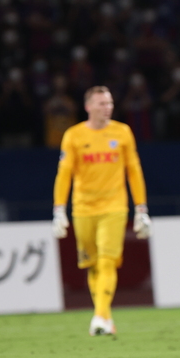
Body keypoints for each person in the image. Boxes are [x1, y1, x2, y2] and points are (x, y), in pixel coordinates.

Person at [52, 86, 151, 336]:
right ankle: (105, 318)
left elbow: (134, 170)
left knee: (107, 261)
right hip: (83, 209)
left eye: (109, 103)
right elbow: (64, 174)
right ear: (88, 107)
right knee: (93, 264)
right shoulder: (74, 135)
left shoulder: (122, 132)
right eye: (101, 104)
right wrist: (59, 209)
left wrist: (141, 208)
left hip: (114, 207)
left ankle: (99, 316)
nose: (107, 108)